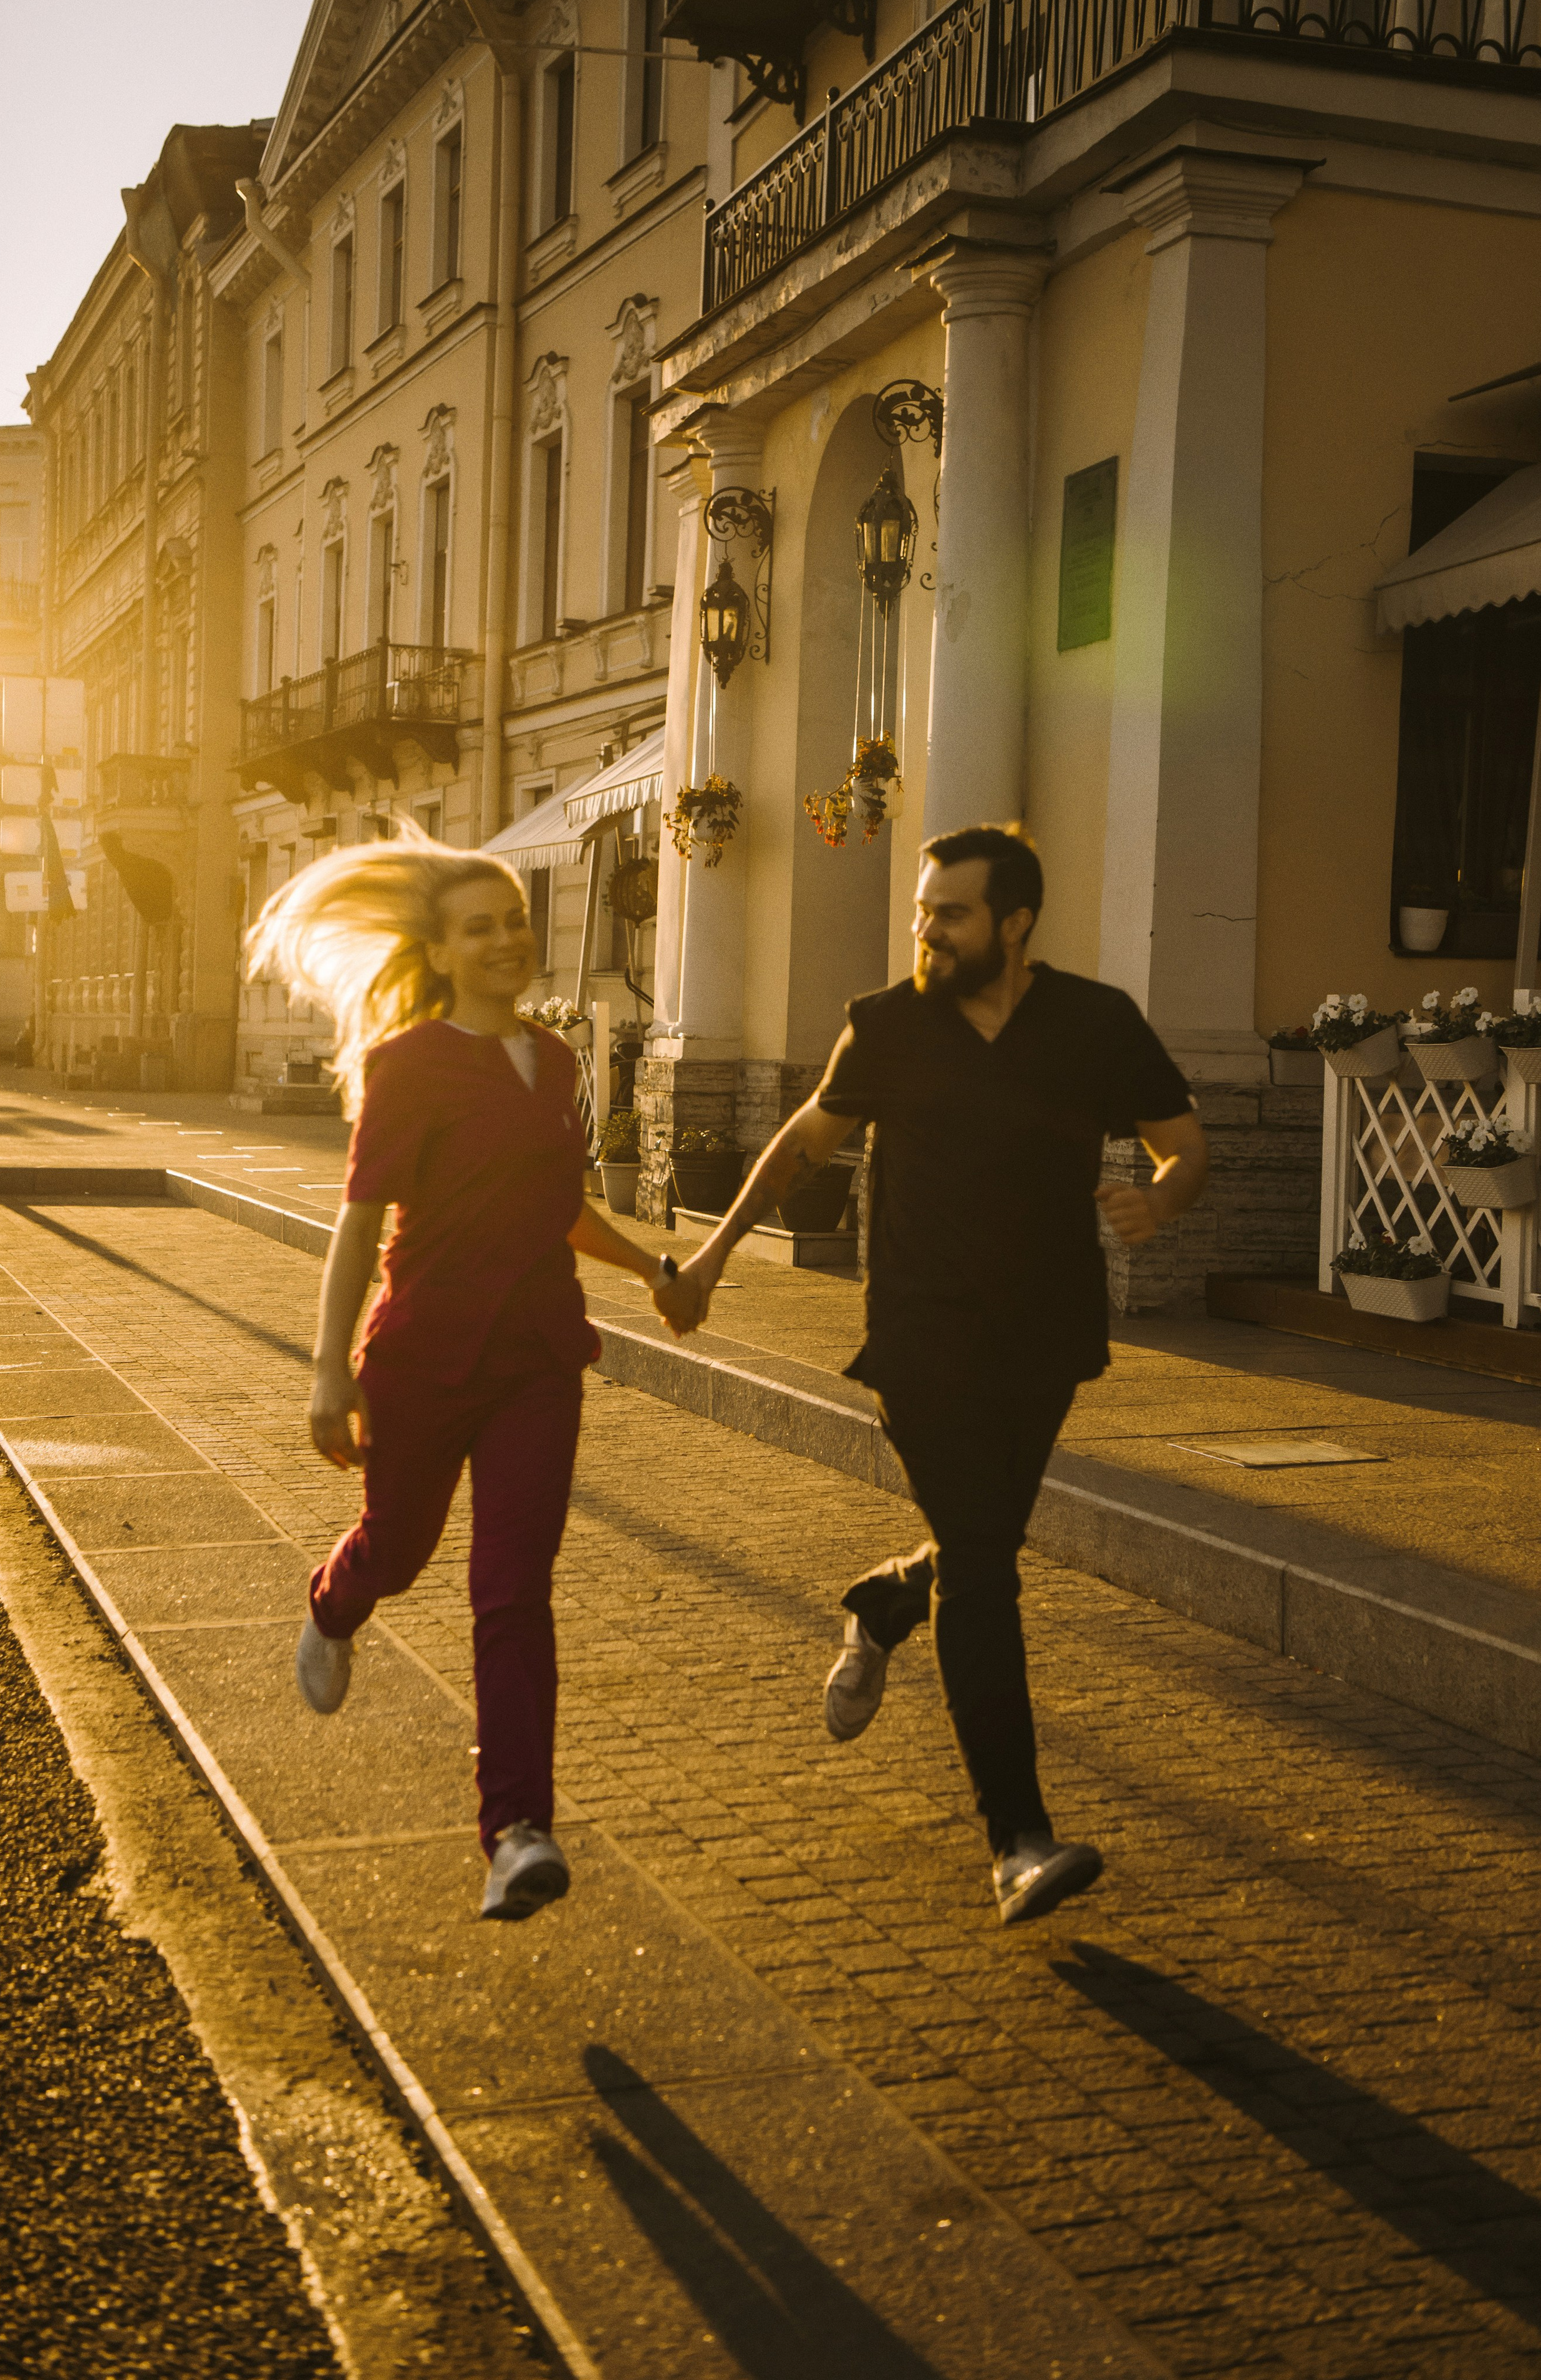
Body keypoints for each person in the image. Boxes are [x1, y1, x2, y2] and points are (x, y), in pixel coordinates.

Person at [678, 824, 1208, 1925]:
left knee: (981, 1546)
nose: (926, 929)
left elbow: (1183, 1142)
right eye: (923, 911)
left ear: (1014, 925)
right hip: (921, 1334)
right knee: (985, 1565)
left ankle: (884, 1601)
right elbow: (802, 1147)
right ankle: (1017, 1839)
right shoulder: (889, 1025)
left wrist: (1159, 1202)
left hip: (1048, 1332)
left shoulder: (1095, 1024)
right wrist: (717, 1256)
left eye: (950, 913)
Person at [247, 831, 701, 1922]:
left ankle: (516, 1830)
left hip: (538, 1358)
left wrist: (651, 1268)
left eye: (514, 920)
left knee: (512, 1588)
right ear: (441, 952)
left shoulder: (555, 1061)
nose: (506, 940)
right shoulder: (407, 1065)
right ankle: (335, 1599)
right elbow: (358, 1229)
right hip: (423, 1358)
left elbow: (557, 1208)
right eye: (479, 927)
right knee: (399, 1549)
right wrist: (327, 1373)